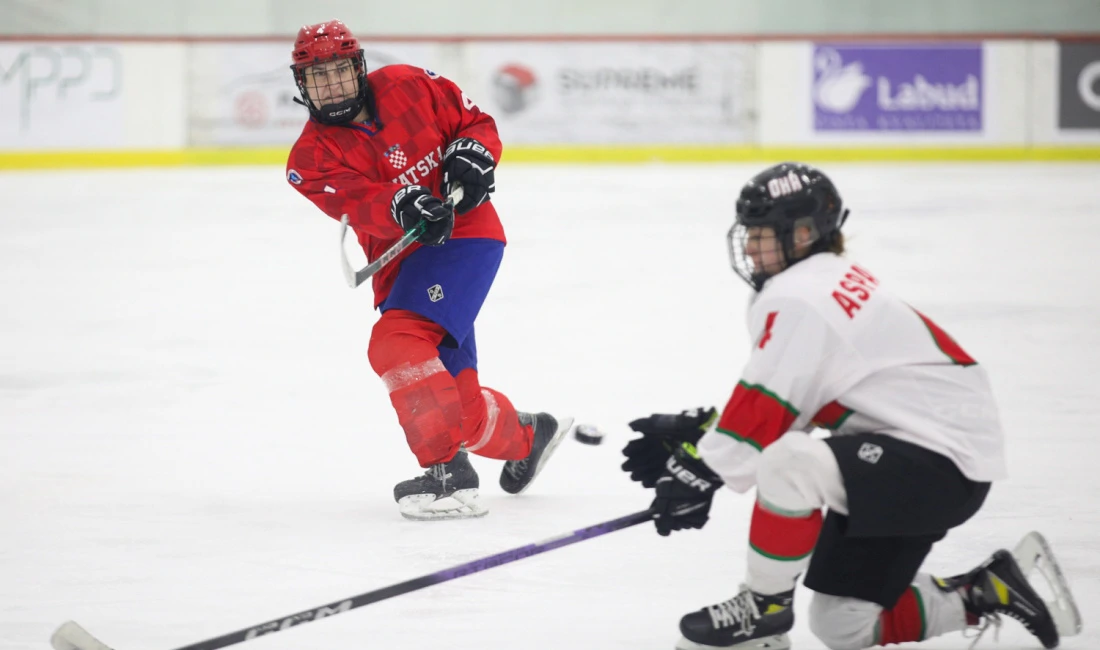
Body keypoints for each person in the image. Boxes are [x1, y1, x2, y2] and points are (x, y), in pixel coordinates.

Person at [621, 162, 1080, 650]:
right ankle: (987, 591)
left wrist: (702, 468)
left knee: (790, 462)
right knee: (842, 624)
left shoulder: (803, 295)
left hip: (935, 465)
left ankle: (763, 610)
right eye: (748, 232)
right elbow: (791, 399)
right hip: (924, 462)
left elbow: (771, 411)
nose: (750, 246)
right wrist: (709, 441)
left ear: (803, 233)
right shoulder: (817, 281)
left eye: (762, 233)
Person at [284, 20, 572, 521]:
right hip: (402, 267)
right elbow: (360, 201)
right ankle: (530, 437)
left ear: (359, 67)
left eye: (338, 72)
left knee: (396, 344)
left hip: (465, 235)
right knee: (457, 408)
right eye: (317, 77)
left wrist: (474, 154)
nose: (330, 86)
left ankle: (446, 475)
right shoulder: (310, 158)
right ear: (301, 86)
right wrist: (402, 202)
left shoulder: (410, 85)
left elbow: (474, 123)